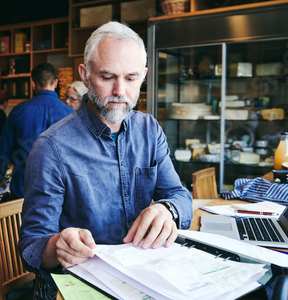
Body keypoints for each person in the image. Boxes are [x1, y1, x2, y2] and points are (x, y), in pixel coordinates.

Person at [18, 21, 193, 298]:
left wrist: (167, 210)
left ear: (144, 76)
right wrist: (56, 246)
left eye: (131, 78)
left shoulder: (149, 130)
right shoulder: (50, 148)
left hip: (141, 279)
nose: (120, 91)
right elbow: (31, 247)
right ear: (85, 75)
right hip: (74, 289)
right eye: (108, 76)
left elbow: (179, 195)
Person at [0, 63, 73, 199]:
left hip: (22, 191)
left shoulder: (18, 111)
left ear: (32, 84)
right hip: (58, 192)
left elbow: (3, 150)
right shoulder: (69, 114)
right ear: (56, 82)